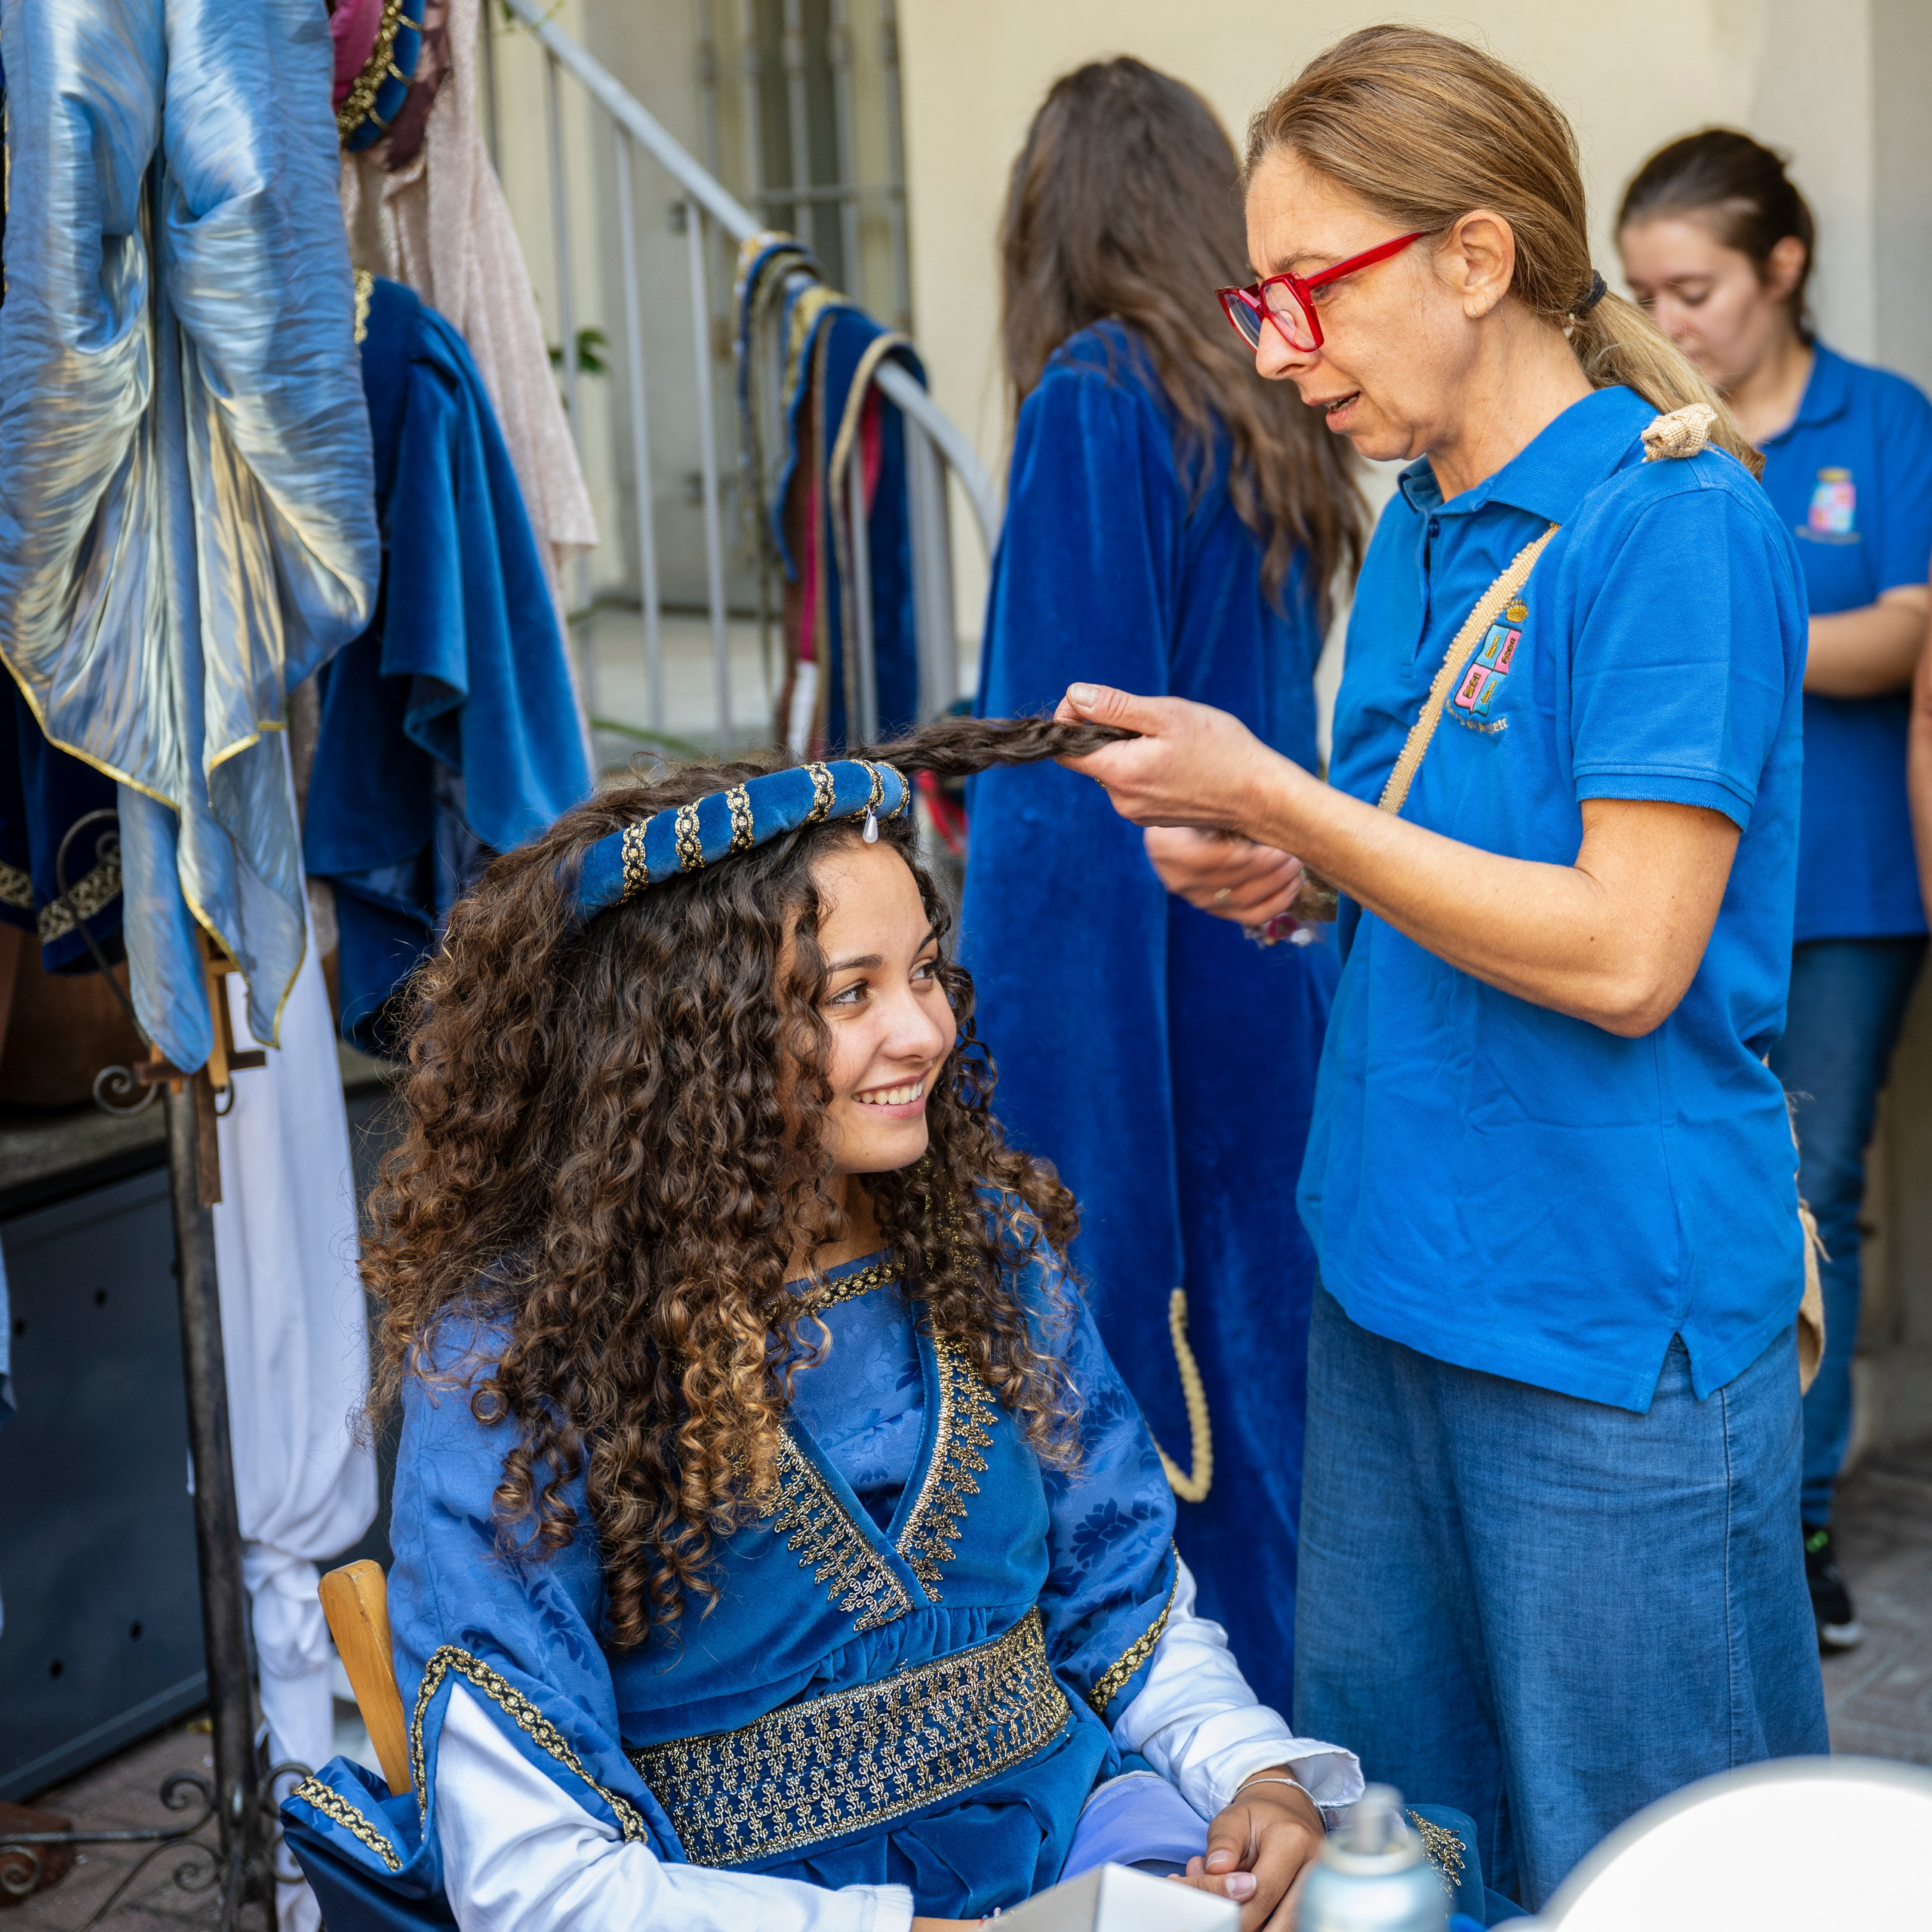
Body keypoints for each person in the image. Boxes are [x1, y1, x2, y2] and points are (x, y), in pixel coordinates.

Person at [1057, 26, 1827, 1912]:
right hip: (1392, 1276)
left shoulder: (1671, 522)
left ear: (1473, 261)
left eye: (1305, 291)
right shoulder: (1410, 526)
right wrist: (1294, 870)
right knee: (1406, 1850)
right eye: (1256, 295)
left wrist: (1294, 810)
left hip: (1594, 1320)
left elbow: (1630, 949)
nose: (1273, 346)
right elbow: (1454, 859)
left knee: (1651, 1865)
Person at [284, 720, 1478, 1932]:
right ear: (689, 1042)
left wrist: (1254, 1776)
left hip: (1089, 1849)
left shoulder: (979, 1244)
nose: (925, 1030)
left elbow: (1127, 1604)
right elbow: (534, 1880)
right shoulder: (518, 1357)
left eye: (924, 972)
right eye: (850, 993)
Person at [958, 58, 1365, 1720]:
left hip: (1147, 1014)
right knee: (1272, 1429)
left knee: (1159, 1444)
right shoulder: (1260, 404)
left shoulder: (1093, 393)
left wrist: (1026, 1129)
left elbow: (1069, 805)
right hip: (1277, 980)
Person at [1617, 131, 1932, 1652]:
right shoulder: (1636, 439)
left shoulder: (1882, 422)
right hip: (1669, 883)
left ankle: (1793, 1520)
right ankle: (1706, 1504)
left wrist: (1718, 624)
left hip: (1851, 882)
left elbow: (1898, 638)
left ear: (1779, 269)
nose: (1666, 322)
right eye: (1641, 293)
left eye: (1692, 290)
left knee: (1811, 1188)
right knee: (1689, 1179)